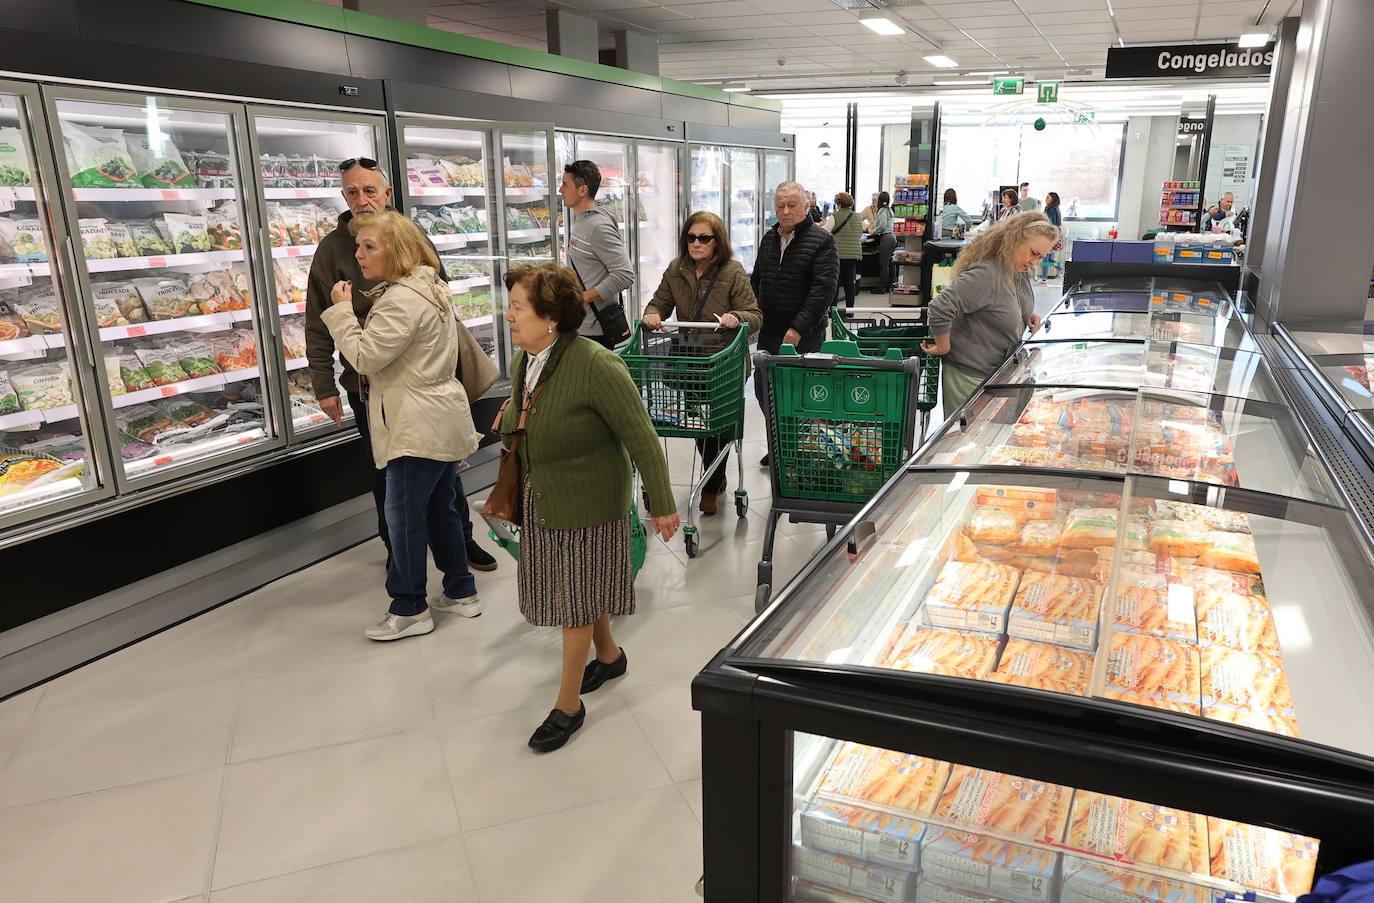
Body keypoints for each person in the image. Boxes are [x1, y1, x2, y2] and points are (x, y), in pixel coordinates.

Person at [500, 263, 679, 752]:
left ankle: (567, 706)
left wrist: (662, 504)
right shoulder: (528, 360)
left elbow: (642, 436)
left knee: (572, 598)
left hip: (588, 500)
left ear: (551, 318)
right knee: (574, 585)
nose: (508, 315)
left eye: (518, 307)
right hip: (544, 495)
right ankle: (610, 655)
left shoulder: (597, 365)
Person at [304, 157, 499, 574]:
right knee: (386, 477)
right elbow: (317, 320)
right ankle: (399, 553)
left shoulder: (408, 235)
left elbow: (439, 294)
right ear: (343, 196)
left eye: (369, 190)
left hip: (423, 381)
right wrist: (324, 384)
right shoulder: (330, 250)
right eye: (352, 191)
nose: (361, 199)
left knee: (445, 468)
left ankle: (460, 543)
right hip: (369, 385)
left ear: (387, 193)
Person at [322, 210, 483, 641]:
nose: (358, 254)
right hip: (437, 413)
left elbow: (364, 358)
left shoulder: (400, 300)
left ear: (399, 251)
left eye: (369, 246)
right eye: (358, 246)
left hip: (415, 422)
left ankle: (410, 606)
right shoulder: (427, 287)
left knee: (403, 515)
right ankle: (460, 590)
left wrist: (340, 312)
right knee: (440, 508)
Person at [643, 212, 762, 514]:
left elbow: (754, 314)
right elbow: (659, 302)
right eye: (691, 237)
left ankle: (711, 484)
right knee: (697, 424)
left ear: (717, 241)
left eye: (703, 238)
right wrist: (653, 313)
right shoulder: (676, 270)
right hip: (689, 361)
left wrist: (738, 318)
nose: (695, 243)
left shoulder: (732, 272)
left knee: (719, 425)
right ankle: (715, 478)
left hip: (725, 361)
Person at [921, 212, 1059, 413]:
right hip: (970, 378)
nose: (1034, 262)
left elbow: (1005, 302)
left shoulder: (1016, 270)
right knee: (962, 440)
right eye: (1033, 253)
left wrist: (1025, 315)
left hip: (996, 374)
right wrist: (943, 346)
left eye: (1040, 257)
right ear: (1015, 239)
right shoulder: (988, 274)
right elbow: (940, 307)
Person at [753, 181, 839, 466]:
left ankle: (800, 451)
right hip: (770, 331)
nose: (786, 211)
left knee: (798, 394)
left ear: (805, 206)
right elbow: (757, 281)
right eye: (781, 206)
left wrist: (799, 328)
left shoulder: (822, 240)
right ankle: (781, 445)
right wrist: (752, 314)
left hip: (805, 334)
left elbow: (823, 290)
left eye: (792, 205)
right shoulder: (769, 239)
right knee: (765, 390)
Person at [560, 159, 635, 349]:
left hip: (595, 329)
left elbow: (625, 275)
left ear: (582, 190)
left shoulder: (598, 226)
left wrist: (583, 297)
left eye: (565, 184)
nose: (561, 190)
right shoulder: (582, 220)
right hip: (581, 324)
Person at [829, 192, 864, 309]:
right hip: (853, 254)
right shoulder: (858, 217)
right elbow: (861, 231)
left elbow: (825, 232)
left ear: (838, 204)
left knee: (836, 282)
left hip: (838, 254)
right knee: (850, 283)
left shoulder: (834, 216)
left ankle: (833, 310)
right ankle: (850, 310)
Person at [867, 190, 896, 292]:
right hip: (892, 237)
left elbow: (882, 225)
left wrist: (874, 232)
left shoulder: (881, 210)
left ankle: (881, 287)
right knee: (889, 263)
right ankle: (889, 286)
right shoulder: (889, 210)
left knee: (883, 264)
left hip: (886, 238)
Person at [1040, 192, 1063, 283]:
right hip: (1054, 234)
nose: (1046, 199)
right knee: (1047, 258)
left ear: (1053, 199)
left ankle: (1044, 279)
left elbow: (1051, 223)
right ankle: (1061, 268)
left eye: (1048, 198)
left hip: (1050, 235)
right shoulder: (1055, 208)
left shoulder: (1051, 209)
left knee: (1045, 258)